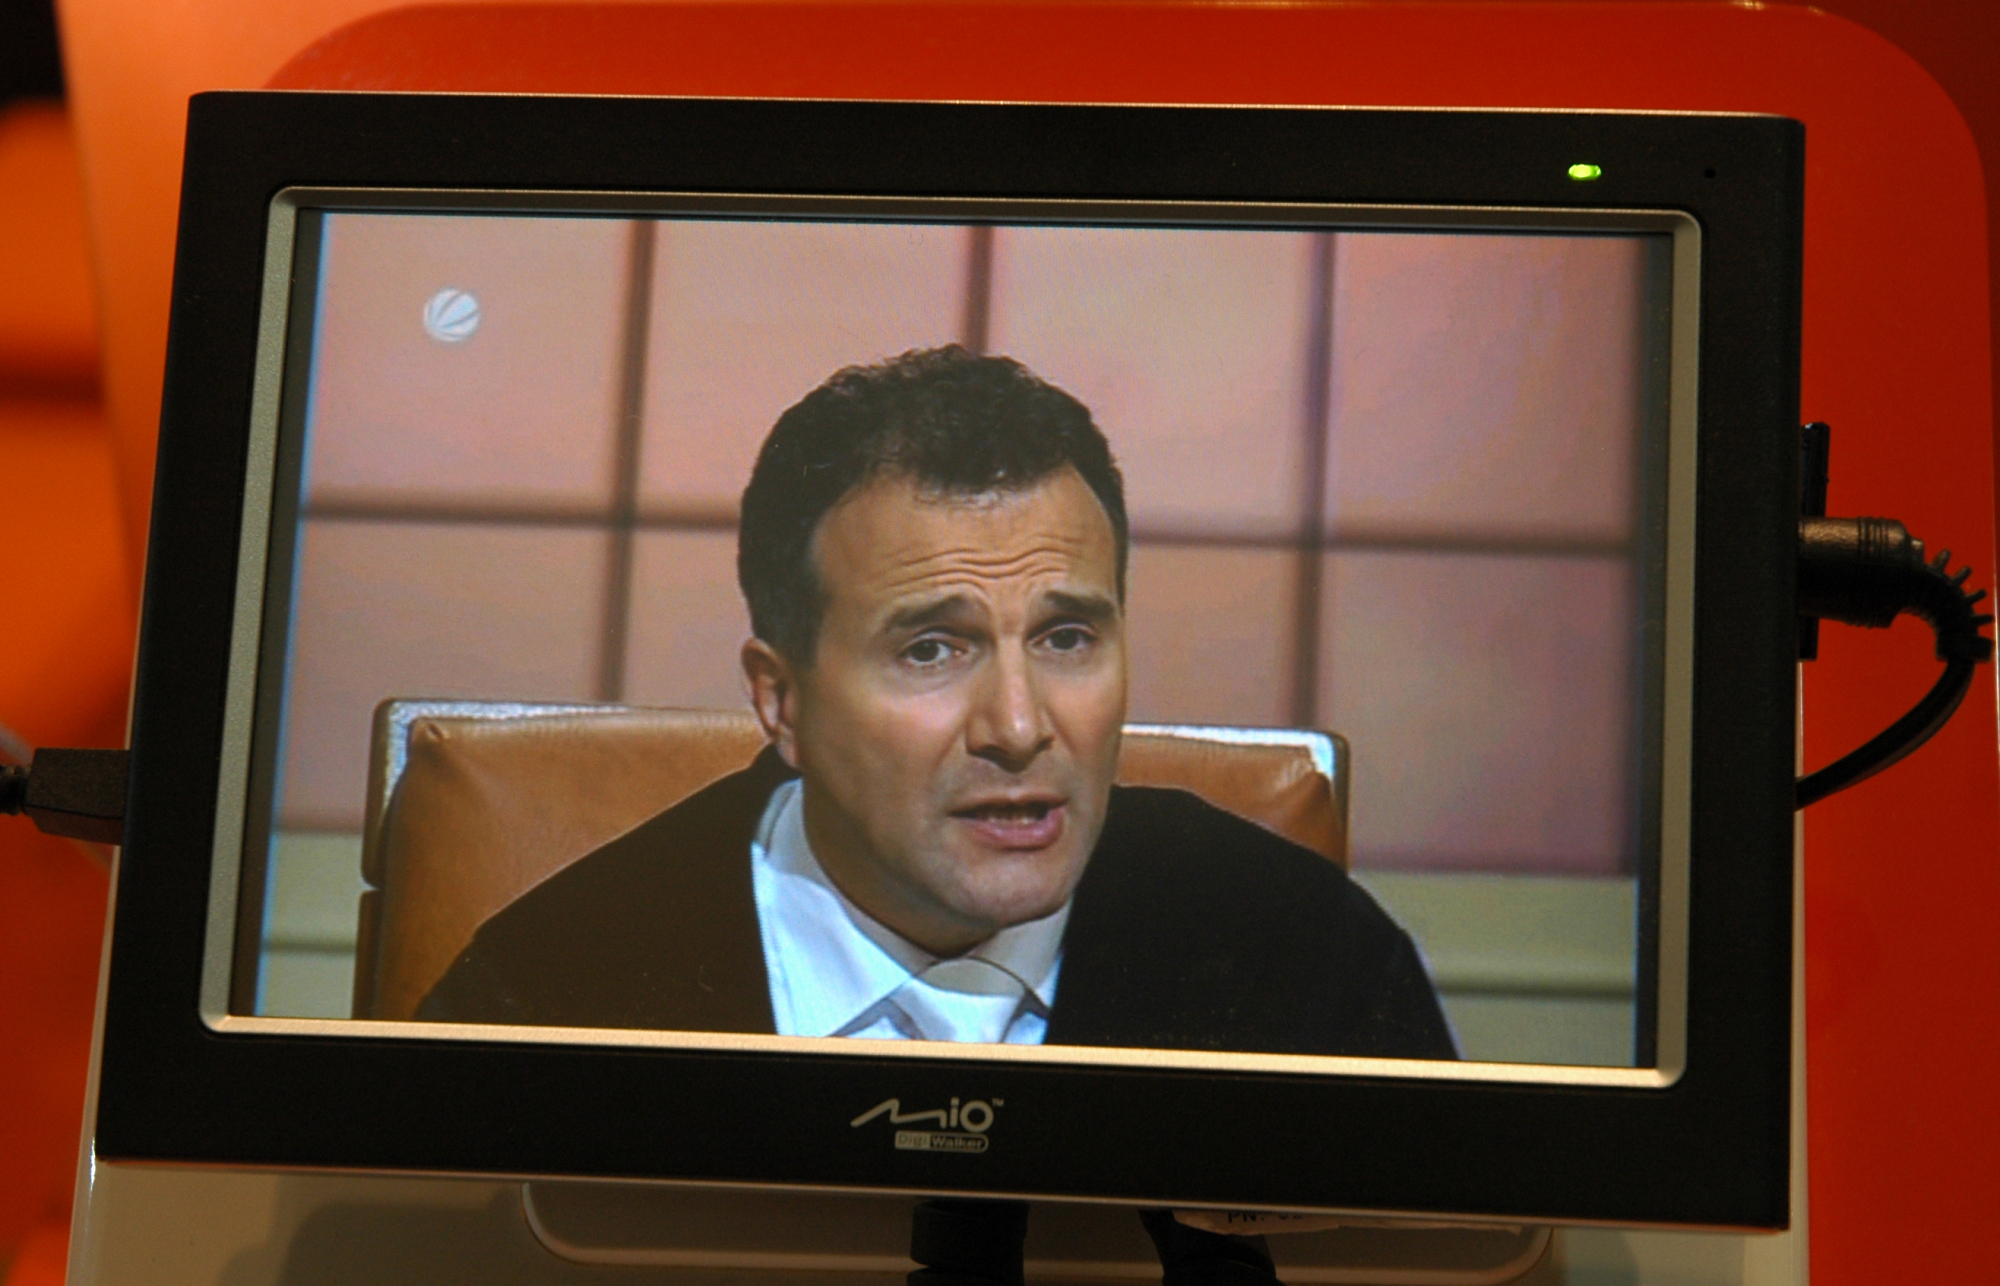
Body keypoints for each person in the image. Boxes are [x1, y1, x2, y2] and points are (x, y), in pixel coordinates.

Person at [418, 346, 1454, 1059]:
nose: (1019, 727)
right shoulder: (555, 992)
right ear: (780, 702)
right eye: (930, 649)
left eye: (1065, 637)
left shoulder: (1303, 959)